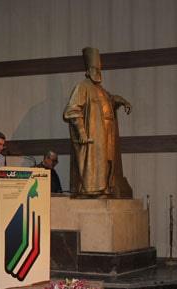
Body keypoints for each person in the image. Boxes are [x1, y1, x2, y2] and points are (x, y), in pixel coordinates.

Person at [63, 47, 133, 198]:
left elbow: (110, 99)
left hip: (107, 132)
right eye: (94, 69)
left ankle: (105, 188)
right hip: (94, 133)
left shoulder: (100, 89)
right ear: (88, 71)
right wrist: (82, 132)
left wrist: (121, 101)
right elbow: (72, 110)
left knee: (108, 160)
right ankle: (91, 190)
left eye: (99, 69)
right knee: (95, 162)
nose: (97, 72)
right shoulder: (82, 87)